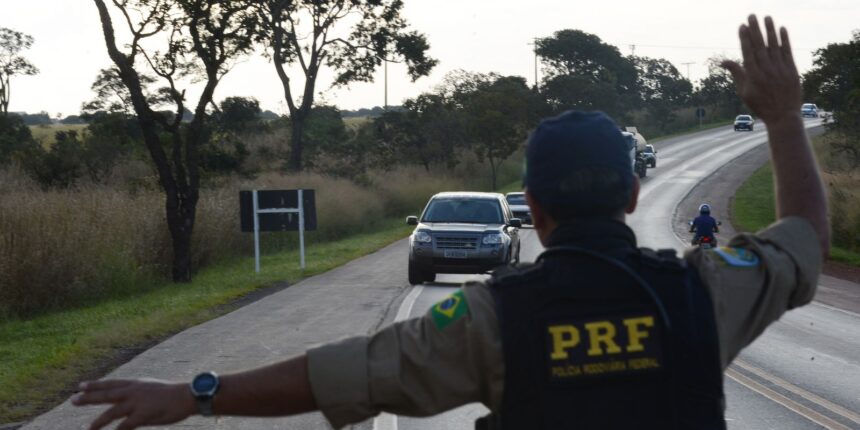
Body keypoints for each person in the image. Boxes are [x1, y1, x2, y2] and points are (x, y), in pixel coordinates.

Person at [73, 15, 829, 430]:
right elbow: (802, 241)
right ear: (634, 197)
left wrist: (199, 392)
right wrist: (785, 118)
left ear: (530, 208)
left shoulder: (491, 318)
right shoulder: (704, 291)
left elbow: (342, 374)